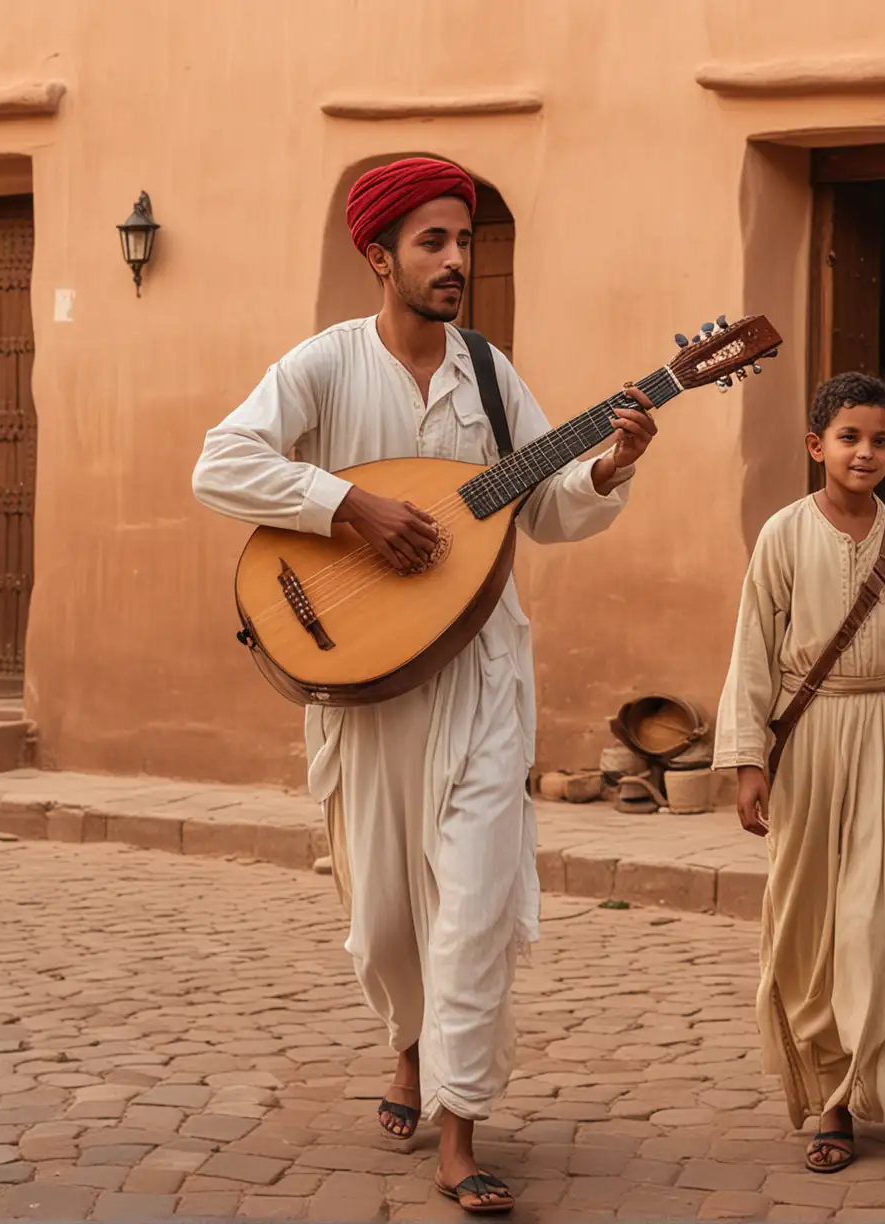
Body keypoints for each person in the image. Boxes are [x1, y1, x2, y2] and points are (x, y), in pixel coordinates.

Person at [191, 156, 653, 1213]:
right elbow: (221, 464)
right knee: (387, 916)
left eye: (465, 241)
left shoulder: (491, 374)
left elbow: (539, 506)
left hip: (482, 671)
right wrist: (347, 507)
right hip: (364, 679)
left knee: (476, 902)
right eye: (434, 242)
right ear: (379, 256)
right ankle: (408, 1046)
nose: (456, 261)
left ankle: (461, 1131)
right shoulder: (322, 365)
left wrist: (609, 466)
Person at [711, 370, 885, 1174]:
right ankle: (814, 1076)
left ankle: (843, 1100)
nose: (865, 452)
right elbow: (753, 652)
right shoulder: (783, 534)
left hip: (879, 741)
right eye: (849, 437)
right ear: (816, 445)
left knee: (871, 921)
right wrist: (749, 760)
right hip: (806, 739)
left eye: (880, 439)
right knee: (805, 920)